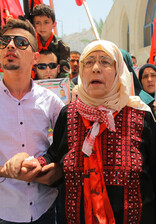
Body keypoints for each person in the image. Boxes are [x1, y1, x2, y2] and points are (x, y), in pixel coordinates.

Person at [6, 40, 156, 224]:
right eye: (89, 62)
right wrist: (33, 163)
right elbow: (55, 156)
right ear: (82, 71)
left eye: (105, 62)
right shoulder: (68, 115)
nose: (96, 68)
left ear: (118, 71)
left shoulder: (141, 116)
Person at [0, 18, 64, 223]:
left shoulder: (52, 101)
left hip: (45, 208)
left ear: (35, 57)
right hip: (4, 210)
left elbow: (68, 146)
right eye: (4, 41)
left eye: (20, 42)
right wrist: (6, 171)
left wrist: (57, 169)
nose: (10, 45)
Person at [31, 4, 70, 77]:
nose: (42, 27)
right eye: (38, 23)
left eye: (46, 22)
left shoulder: (62, 46)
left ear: (54, 24)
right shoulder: (31, 44)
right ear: (33, 25)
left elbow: (65, 72)